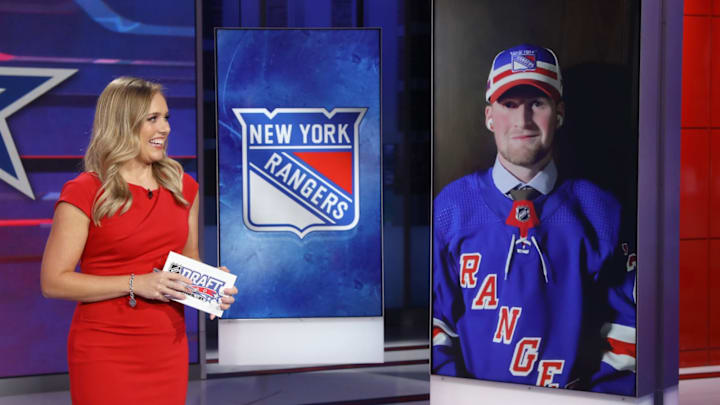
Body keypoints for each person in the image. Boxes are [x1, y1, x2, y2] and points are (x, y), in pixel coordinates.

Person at [431, 44, 637, 395]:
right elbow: (435, 322)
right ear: (489, 117)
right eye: (509, 105)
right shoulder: (451, 206)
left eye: (536, 104)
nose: (522, 121)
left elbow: (627, 325)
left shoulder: (602, 210)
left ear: (558, 113)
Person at [40, 76, 237, 404]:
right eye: (153, 119)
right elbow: (53, 282)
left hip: (166, 347)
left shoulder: (183, 187)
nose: (166, 128)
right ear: (123, 124)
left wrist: (210, 286)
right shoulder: (86, 191)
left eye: (166, 118)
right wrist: (136, 283)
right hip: (105, 350)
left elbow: (186, 261)